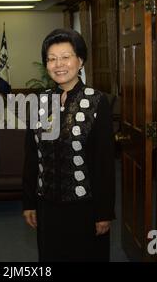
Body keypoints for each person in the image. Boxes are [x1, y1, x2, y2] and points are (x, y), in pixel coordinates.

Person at [22, 28, 115, 262]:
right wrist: (29, 202)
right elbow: (32, 157)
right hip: (47, 206)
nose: (58, 64)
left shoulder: (97, 101)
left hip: (84, 208)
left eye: (65, 57)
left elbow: (104, 162)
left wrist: (103, 213)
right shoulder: (40, 102)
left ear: (80, 61)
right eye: (51, 59)